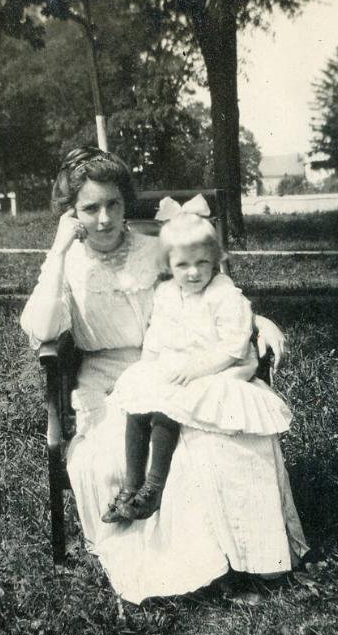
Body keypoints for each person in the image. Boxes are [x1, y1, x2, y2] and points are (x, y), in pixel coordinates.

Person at [21, 146, 308, 604]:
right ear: (71, 214)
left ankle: (250, 559)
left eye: (113, 204)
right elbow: (40, 329)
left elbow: (206, 288)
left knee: (221, 433)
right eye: (89, 208)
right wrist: (57, 252)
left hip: (177, 362)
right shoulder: (68, 263)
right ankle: (194, 568)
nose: (103, 219)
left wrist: (257, 321)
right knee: (134, 450)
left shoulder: (153, 249)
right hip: (107, 377)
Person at [102, 195, 293, 525]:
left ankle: (153, 487)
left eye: (202, 263)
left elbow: (233, 348)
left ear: (216, 260)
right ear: (169, 266)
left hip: (221, 367)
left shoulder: (224, 293)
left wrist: (195, 369)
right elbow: (157, 335)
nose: (193, 273)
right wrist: (147, 368)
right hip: (181, 363)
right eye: (182, 265)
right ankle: (130, 484)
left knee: (168, 404)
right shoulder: (166, 294)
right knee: (139, 399)